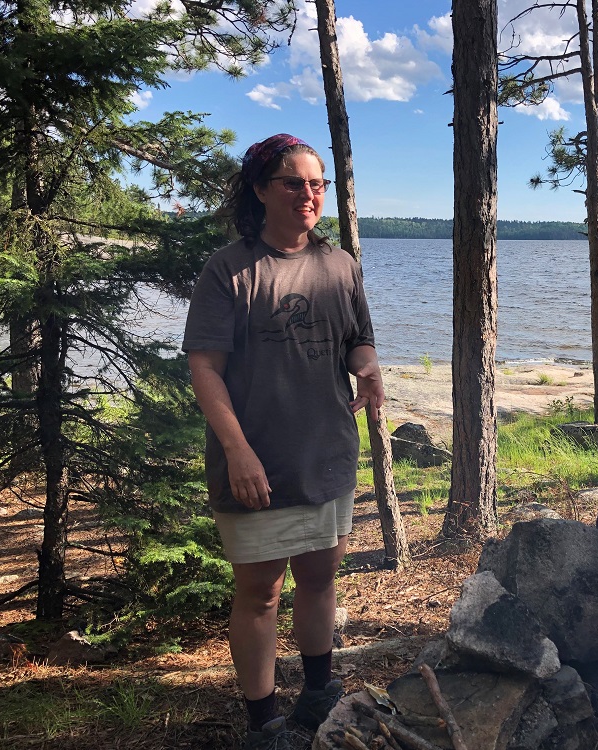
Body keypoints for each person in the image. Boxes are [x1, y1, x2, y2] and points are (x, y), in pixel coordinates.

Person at [182, 133, 384, 749]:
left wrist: (370, 369)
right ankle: (264, 721)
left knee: (321, 577)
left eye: (317, 183)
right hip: (255, 459)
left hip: (325, 450)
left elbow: (357, 337)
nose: (308, 194)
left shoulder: (340, 264)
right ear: (261, 189)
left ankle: (319, 693)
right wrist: (238, 451)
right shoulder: (230, 269)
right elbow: (205, 368)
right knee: (261, 592)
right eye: (294, 182)